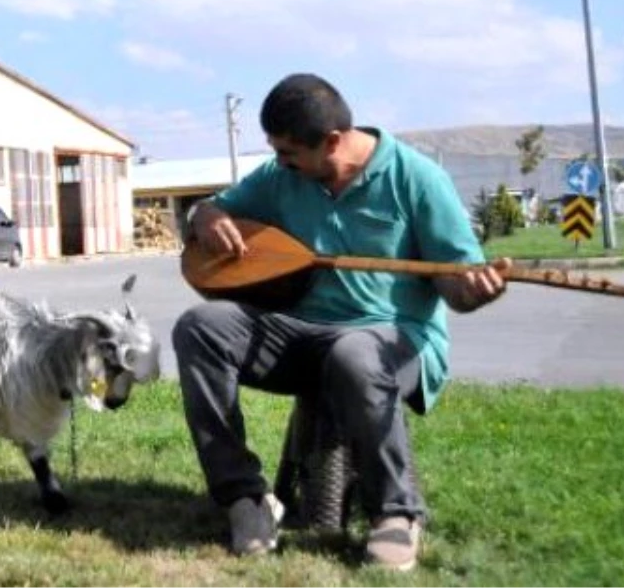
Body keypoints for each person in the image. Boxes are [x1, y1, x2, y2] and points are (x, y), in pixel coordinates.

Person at [171, 73, 510, 570]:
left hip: (394, 340)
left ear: (332, 141)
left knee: (354, 353)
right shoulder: (281, 177)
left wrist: (477, 291)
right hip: (302, 336)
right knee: (200, 327)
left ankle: (395, 514)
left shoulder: (417, 180)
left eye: (289, 153)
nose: (280, 163)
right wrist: (205, 217)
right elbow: (213, 209)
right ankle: (245, 499)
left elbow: (456, 287)